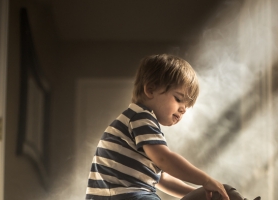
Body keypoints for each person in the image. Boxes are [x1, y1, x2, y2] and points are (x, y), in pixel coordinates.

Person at [85, 54, 230, 200]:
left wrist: (199, 195)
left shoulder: (136, 122)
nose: (183, 109)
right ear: (150, 90)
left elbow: (161, 178)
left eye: (186, 106)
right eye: (178, 99)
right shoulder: (141, 117)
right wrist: (205, 180)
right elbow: (164, 159)